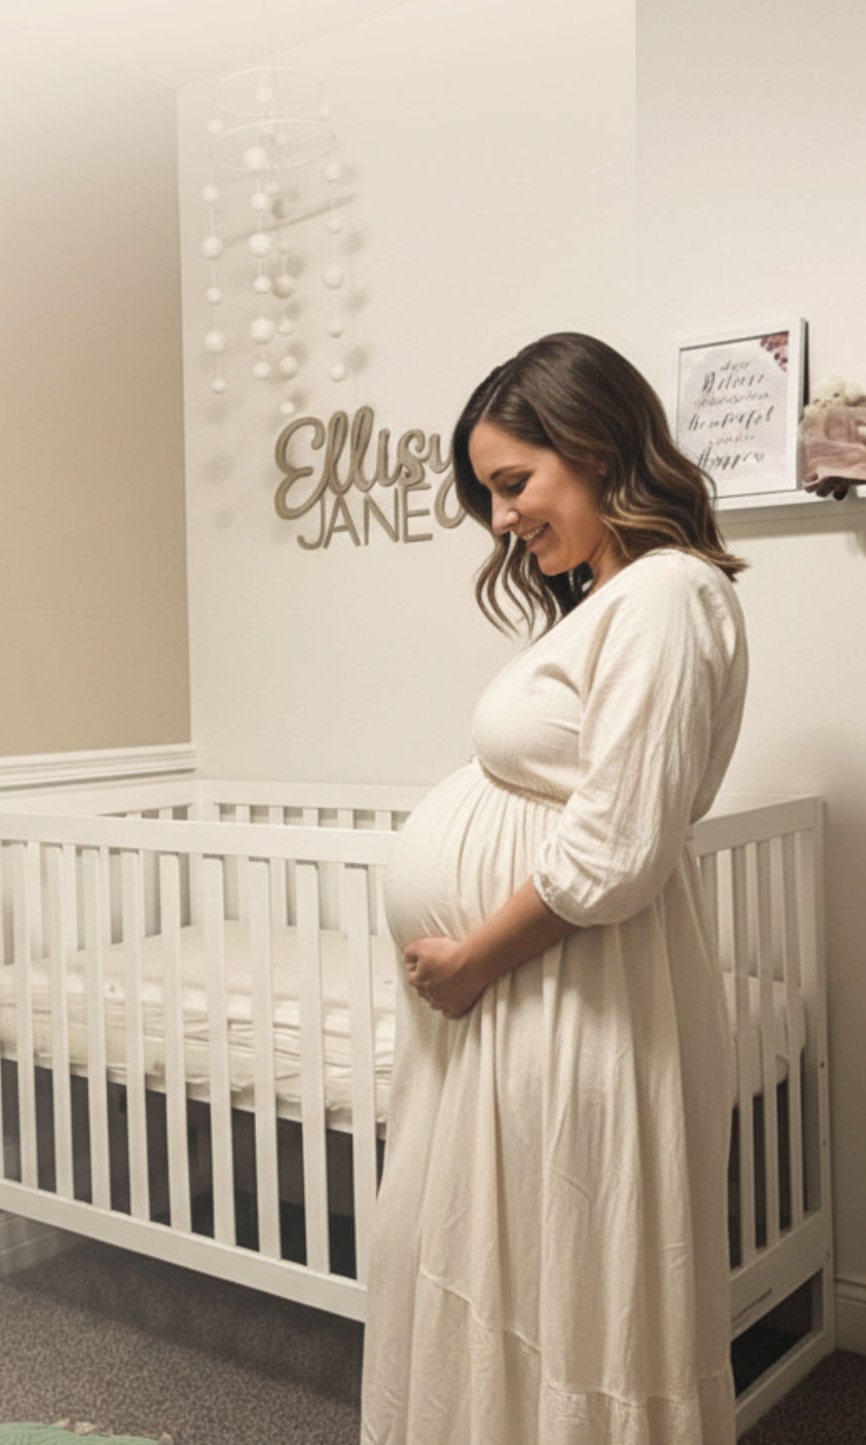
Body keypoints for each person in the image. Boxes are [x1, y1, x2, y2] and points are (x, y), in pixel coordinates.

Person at [359, 332, 748, 1445]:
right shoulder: (610, 601)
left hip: (566, 988)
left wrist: (472, 957)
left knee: (566, 1283)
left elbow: (615, 846)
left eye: (512, 483)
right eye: (489, 493)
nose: (499, 519)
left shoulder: (666, 594)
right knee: (510, 1265)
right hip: (533, 993)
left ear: (593, 446)